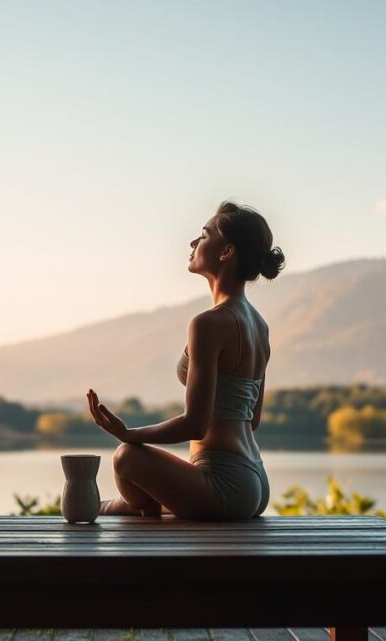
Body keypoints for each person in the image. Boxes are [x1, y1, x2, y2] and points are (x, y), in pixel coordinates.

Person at [85, 200, 285, 520]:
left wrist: (129, 434)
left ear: (226, 252)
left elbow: (195, 424)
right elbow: (252, 419)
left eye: (204, 236)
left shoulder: (209, 323)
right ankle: (126, 506)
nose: (193, 243)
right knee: (123, 488)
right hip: (254, 479)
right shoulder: (259, 325)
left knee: (126, 458)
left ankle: (128, 507)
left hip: (224, 484)